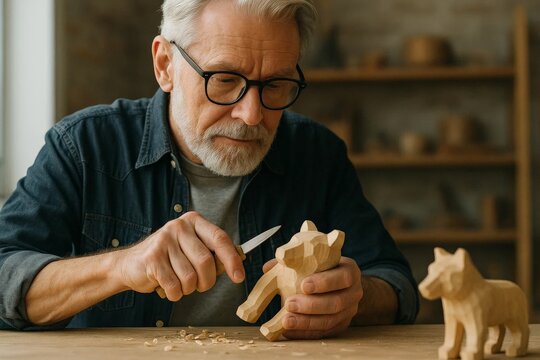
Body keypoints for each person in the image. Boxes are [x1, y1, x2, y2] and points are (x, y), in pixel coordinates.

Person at [0, 0, 418, 338]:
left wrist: (355, 297)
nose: (252, 115)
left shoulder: (317, 153)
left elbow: (396, 284)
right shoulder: (84, 147)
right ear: (165, 64)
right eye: (223, 79)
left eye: (275, 84)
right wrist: (121, 267)